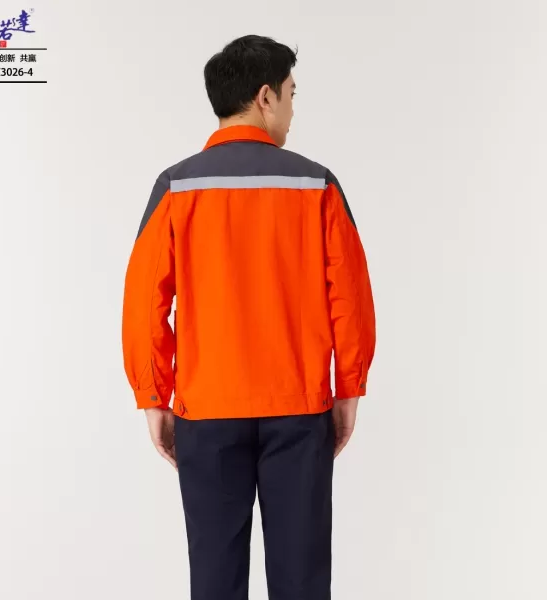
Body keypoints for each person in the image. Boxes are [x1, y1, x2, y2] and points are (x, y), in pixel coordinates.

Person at [122, 34, 376, 600]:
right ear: (265, 97)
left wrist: (154, 397)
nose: (292, 110)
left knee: (214, 581)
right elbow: (351, 296)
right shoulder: (316, 184)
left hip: (207, 412)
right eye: (291, 94)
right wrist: (348, 389)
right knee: (302, 581)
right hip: (299, 411)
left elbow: (143, 303)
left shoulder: (177, 186)